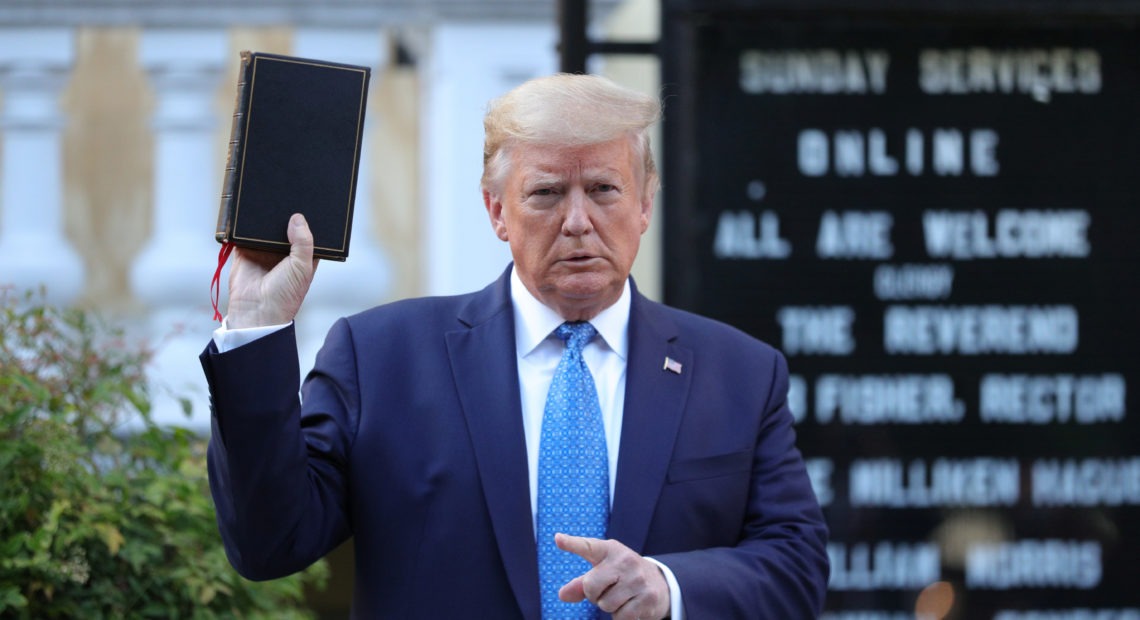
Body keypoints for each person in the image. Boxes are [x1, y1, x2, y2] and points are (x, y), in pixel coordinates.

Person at [201, 73, 829, 619]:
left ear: (644, 203)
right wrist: (257, 326)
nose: (578, 221)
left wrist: (668, 586)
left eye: (604, 190)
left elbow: (796, 568)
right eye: (547, 192)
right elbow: (267, 543)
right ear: (497, 210)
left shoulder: (740, 373)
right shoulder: (382, 357)